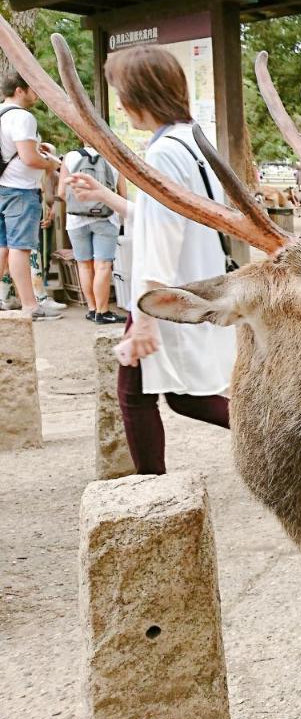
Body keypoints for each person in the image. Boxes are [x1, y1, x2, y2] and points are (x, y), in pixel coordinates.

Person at [66, 45, 236, 475]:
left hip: (164, 293)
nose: (120, 105)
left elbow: (162, 235)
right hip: (185, 287)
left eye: (122, 94)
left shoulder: (162, 153)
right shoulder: (192, 141)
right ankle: (283, 437)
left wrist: (144, 320)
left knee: (135, 395)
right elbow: (169, 218)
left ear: (139, 98)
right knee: (184, 395)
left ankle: (151, 487)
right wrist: (107, 197)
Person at [0, 71, 64, 320]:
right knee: (20, 248)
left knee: (3, 246)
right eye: (32, 88)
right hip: (20, 190)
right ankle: (30, 305)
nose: (36, 93)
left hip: (2, 187)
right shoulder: (22, 118)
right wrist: (51, 164)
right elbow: (28, 158)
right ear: (19, 90)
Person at [57, 145, 126, 323]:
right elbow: (122, 195)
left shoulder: (71, 156)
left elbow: (61, 193)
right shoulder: (114, 155)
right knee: (102, 265)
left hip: (75, 220)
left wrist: (82, 205)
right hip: (106, 218)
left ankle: (92, 309)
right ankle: (103, 313)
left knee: (84, 265)